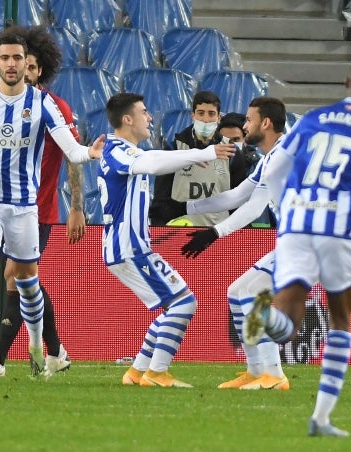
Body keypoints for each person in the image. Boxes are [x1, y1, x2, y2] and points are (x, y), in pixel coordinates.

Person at [247, 57, 351, 437]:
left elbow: (276, 165)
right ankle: (321, 417)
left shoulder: (312, 119)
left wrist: (287, 209)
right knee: (340, 321)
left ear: (346, 81)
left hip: (297, 223)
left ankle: (263, 312)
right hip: (339, 228)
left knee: (290, 318)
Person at [0, 25, 102, 379]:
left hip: (27, 207)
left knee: (26, 282)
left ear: (29, 62)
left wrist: (88, 153)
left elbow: (70, 150)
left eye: (18, 58)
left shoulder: (44, 104)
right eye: (5, 58)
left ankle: (37, 346)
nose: (12, 64)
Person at [98, 92, 235, 388]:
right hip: (129, 247)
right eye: (144, 112)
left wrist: (191, 157)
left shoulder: (126, 151)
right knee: (184, 304)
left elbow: (156, 158)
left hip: (131, 247)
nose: (149, 117)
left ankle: (137, 372)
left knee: (176, 304)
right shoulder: (118, 150)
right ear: (127, 119)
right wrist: (206, 154)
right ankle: (156, 373)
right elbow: (152, 163)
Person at [181, 97, 290, 390]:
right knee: (238, 291)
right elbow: (239, 195)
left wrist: (215, 233)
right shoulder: (273, 156)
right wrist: (187, 207)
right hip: (296, 241)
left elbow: (254, 208)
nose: (244, 126)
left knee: (253, 291)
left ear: (265, 123)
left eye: (249, 120)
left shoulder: (284, 155)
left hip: (313, 240)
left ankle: (275, 376)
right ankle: (257, 371)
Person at [150, 91, 248, 226]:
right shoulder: (174, 149)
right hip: (179, 232)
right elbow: (160, 201)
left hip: (218, 234)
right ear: (193, 115)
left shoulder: (232, 152)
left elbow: (239, 200)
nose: (206, 119)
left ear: (219, 117)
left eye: (211, 114)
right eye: (201, 113)